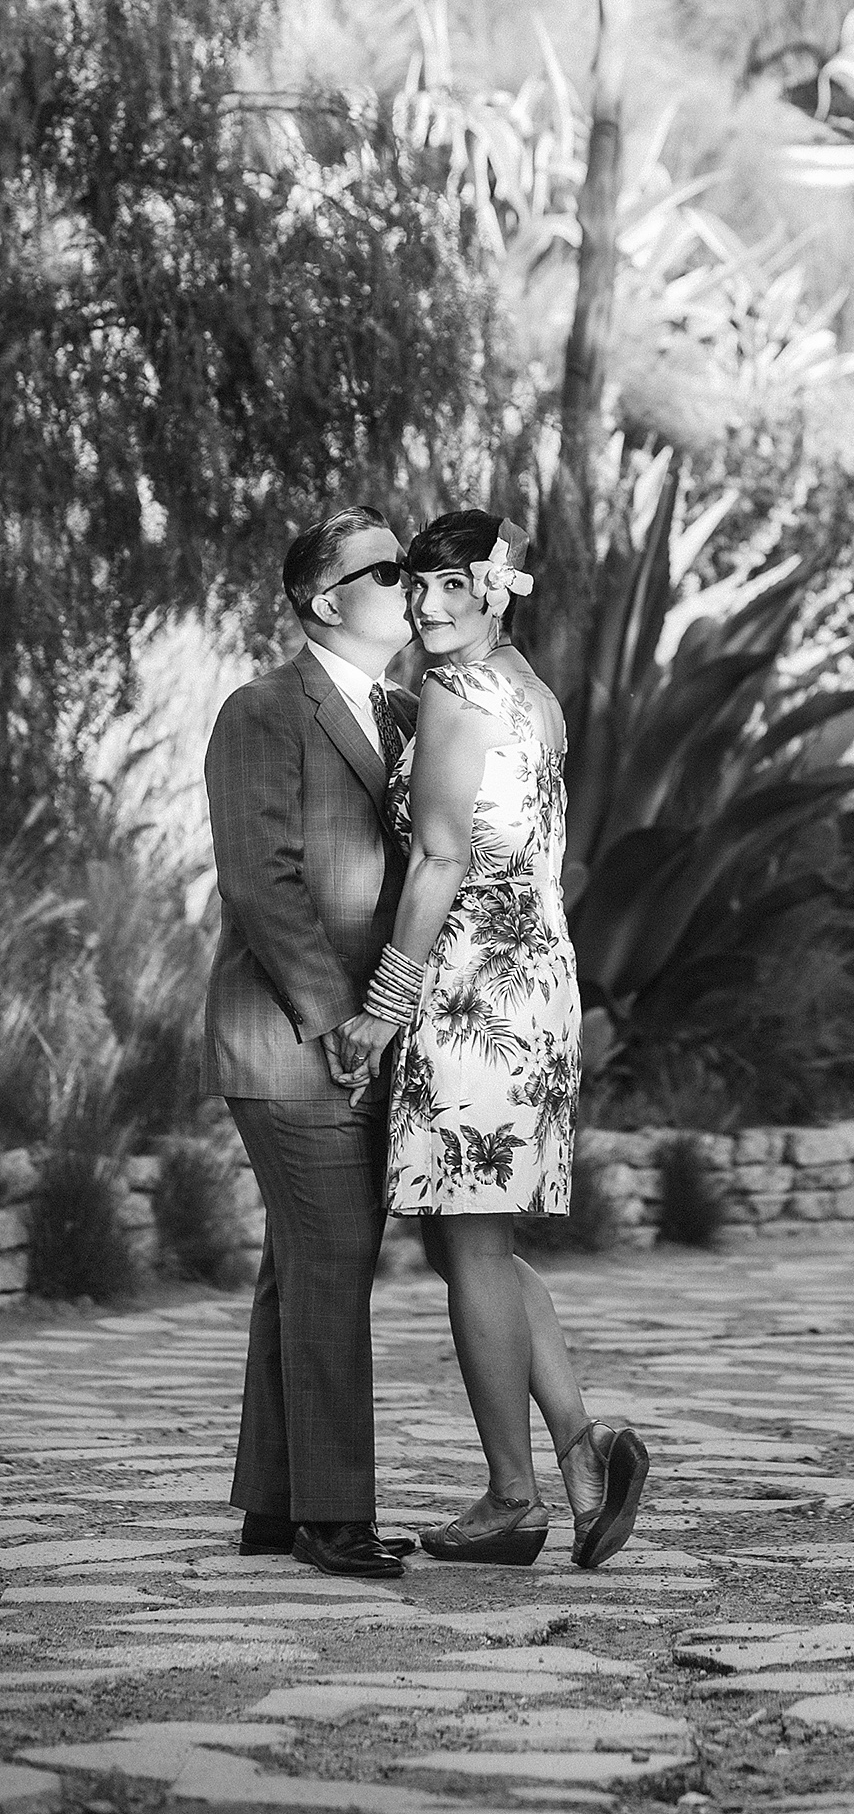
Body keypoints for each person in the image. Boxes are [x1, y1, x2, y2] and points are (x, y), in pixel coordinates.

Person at [346, 506, 647, 1568]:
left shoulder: (454, 694)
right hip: (536, 979)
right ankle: (581, 1448)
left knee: (466, 1240)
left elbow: (436, 860)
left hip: (471, 988)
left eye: (452, 588)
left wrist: (385, 1004)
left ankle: (513, 1498)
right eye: (415, 587)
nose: (428, 607)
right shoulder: (534, 697)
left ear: (496, 590)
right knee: (475, 1236)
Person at [203, 507, 421, 1581]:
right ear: (328, 601)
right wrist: (334, 1018)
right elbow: (261, 879)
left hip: (358, 1040)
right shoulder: (262, 710)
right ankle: (335, 1517)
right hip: (290, 1039)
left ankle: (273, 1504)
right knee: (334, 1260)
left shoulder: (409, 712)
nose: (409, 580)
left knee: (300, 1268)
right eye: (386, 569)